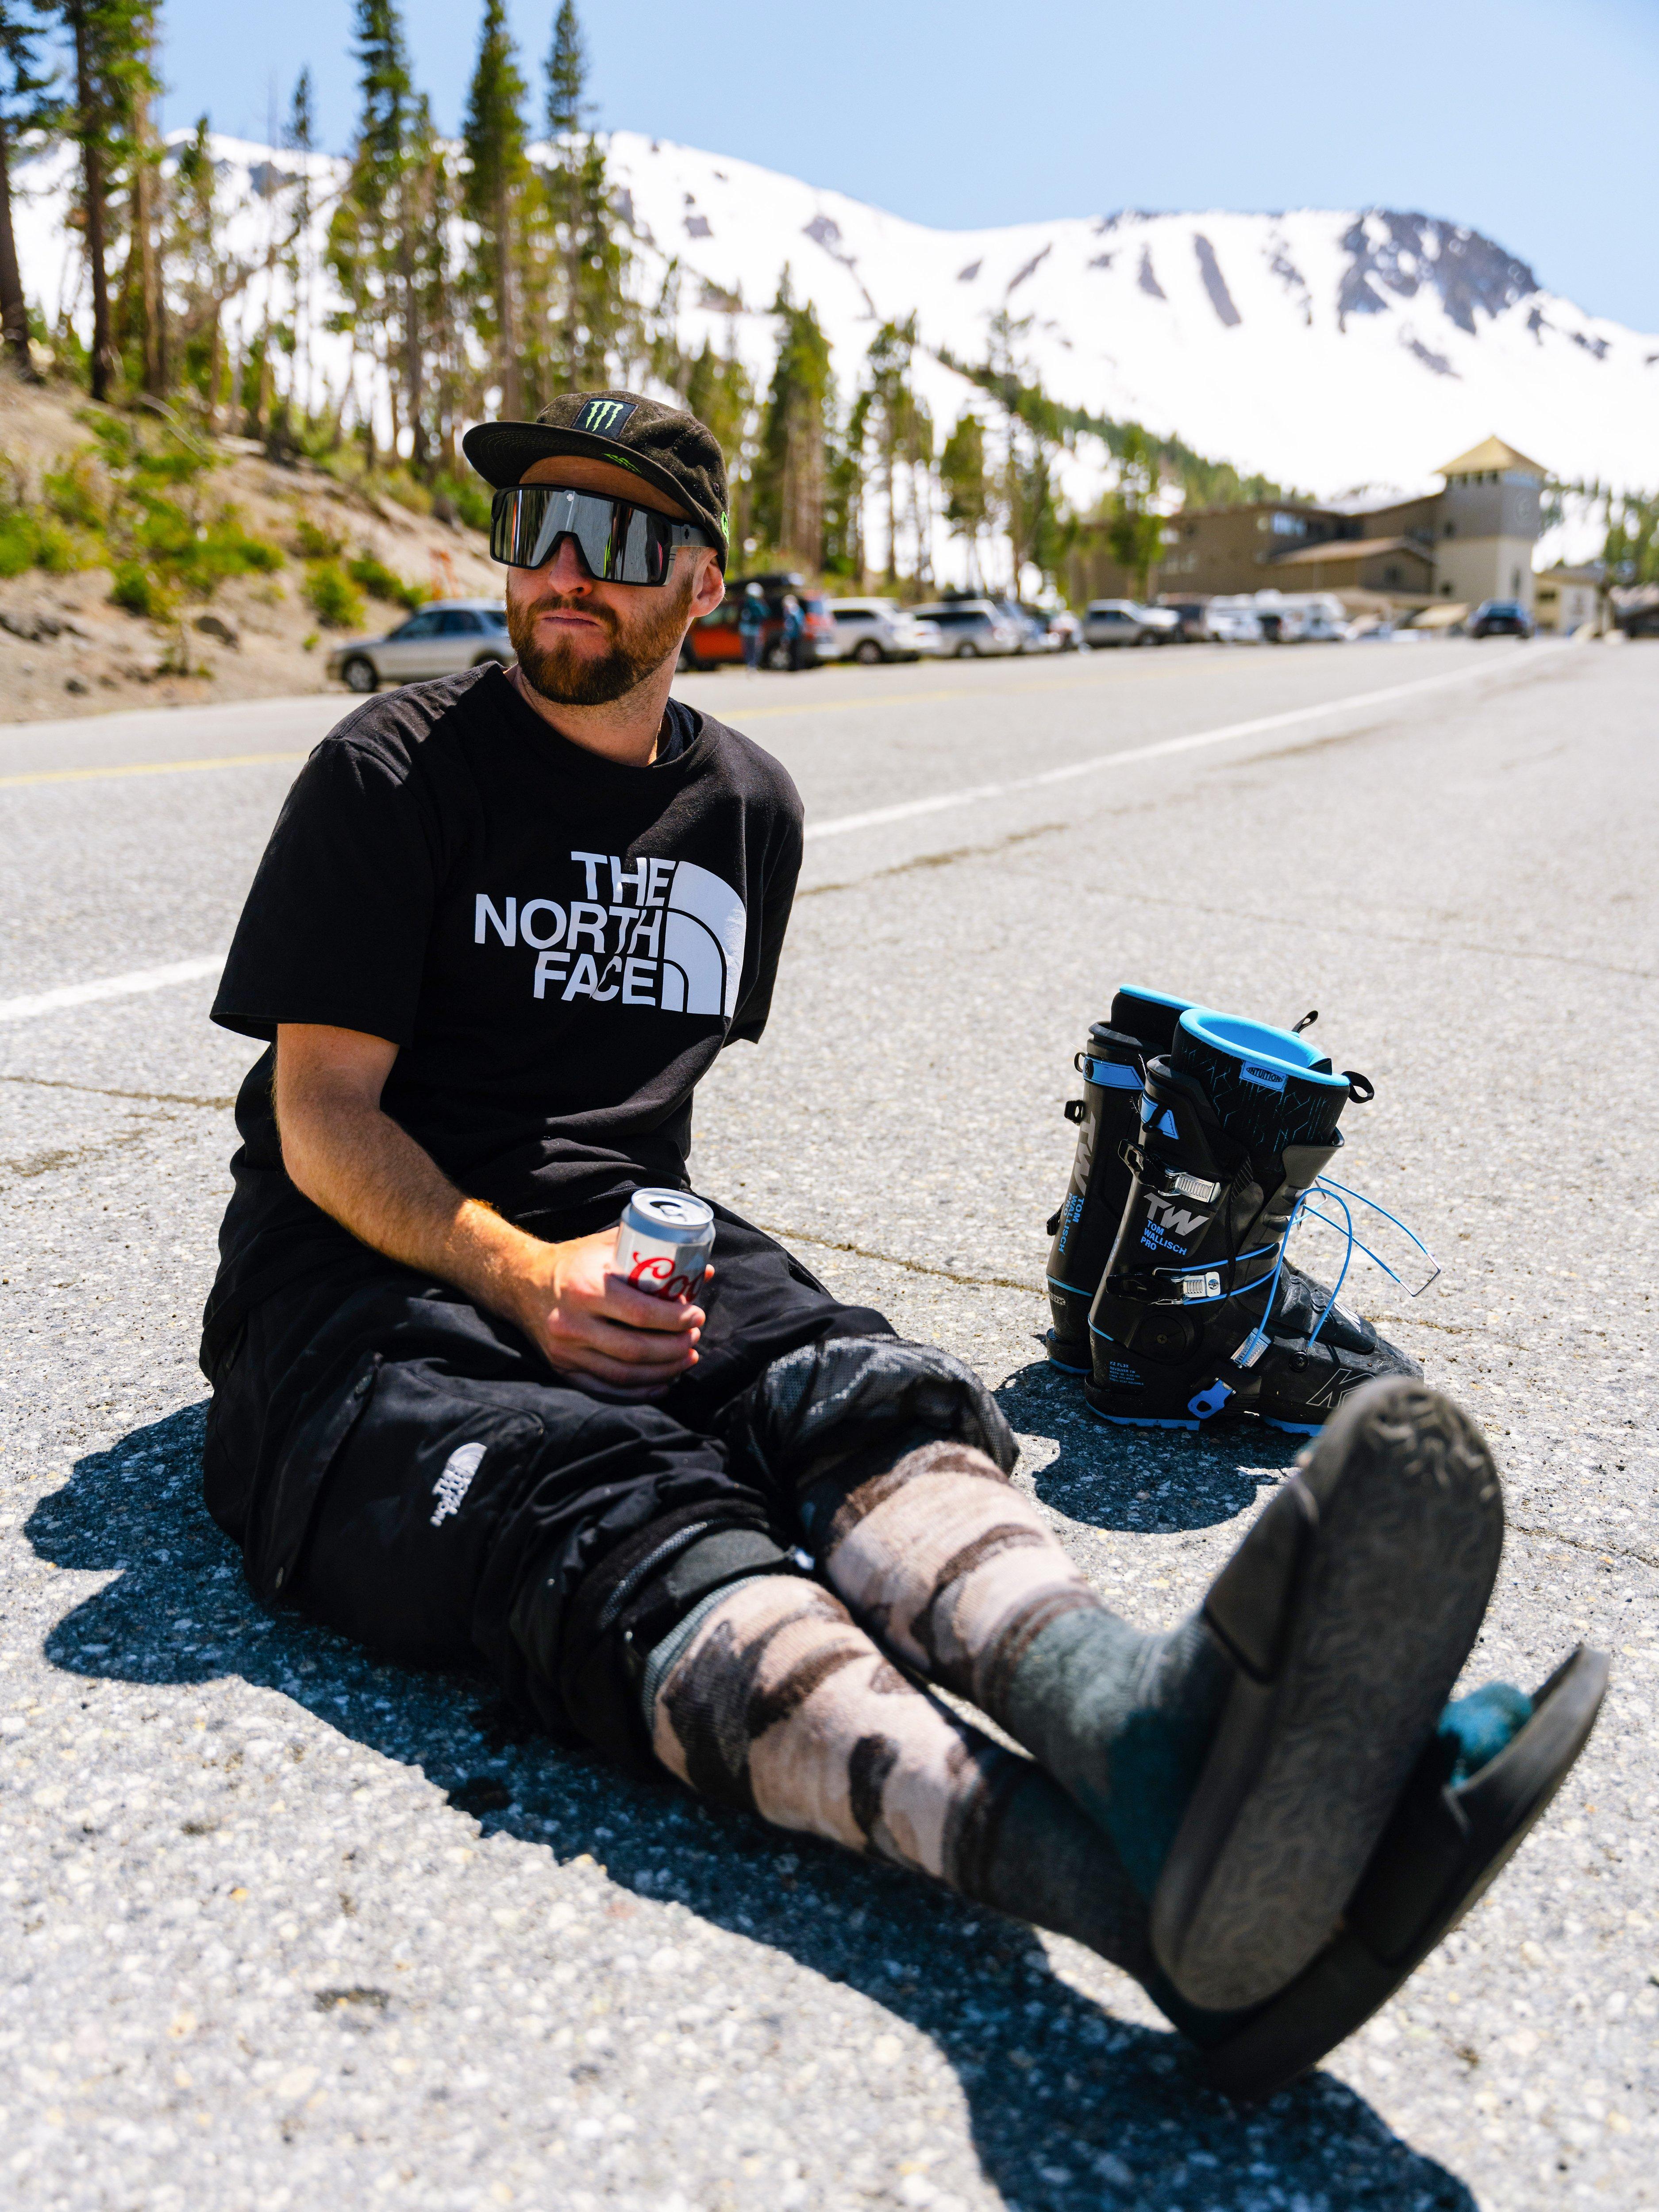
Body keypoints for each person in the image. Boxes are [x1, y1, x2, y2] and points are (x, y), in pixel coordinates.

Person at [198, 389, 1603, 2101]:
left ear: (698, 585)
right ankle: (1133, 1891)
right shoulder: (389, 772)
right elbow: (321, 1115)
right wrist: (520, 1279)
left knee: (867, 1400)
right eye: (537, 529)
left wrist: (632, 1286)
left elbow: (630, 1114)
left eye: (623, 538)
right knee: (619, 1523)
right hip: (359, 1292)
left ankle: (1130, 1714)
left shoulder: (744, 809)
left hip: (634, 1241)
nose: (567, 571)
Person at [737, 580, 766, 673]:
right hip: (752, 630)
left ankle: (751, 665)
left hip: (747, 629)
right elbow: (765, 614)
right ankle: (752, 665)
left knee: (749, 648)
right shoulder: (758, 604)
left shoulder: (745, 603)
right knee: (753, 648)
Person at [781, 590, 806, 671]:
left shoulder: (796, 610)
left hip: (796, 634)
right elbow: (787, 625)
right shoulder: (787, 612)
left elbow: (799, 622)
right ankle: (792, 666)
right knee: (791, 652)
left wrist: (793, 613)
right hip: (790, 635)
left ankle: (797, 667)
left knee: (796, 652)